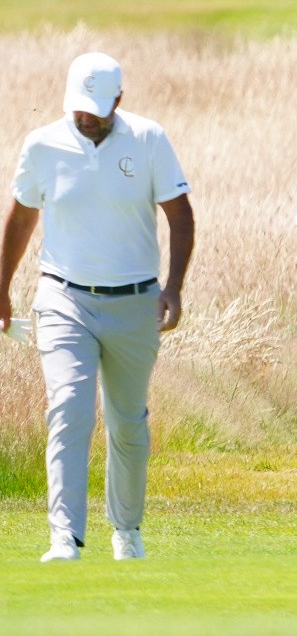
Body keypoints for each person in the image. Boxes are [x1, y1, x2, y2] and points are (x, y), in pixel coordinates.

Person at [0, 52, 194, 562]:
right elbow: (20, 220)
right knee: (68, 409)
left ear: (119, 101)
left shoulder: (149, 139)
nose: (85, 118)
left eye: (96, 109)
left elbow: (180, 215)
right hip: (63, 296)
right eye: (78, 108)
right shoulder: (43, 145)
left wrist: (173, 288)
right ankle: (64, 535)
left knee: (128, 422)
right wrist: (1, 288)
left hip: (135, 302)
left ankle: (126, 529)